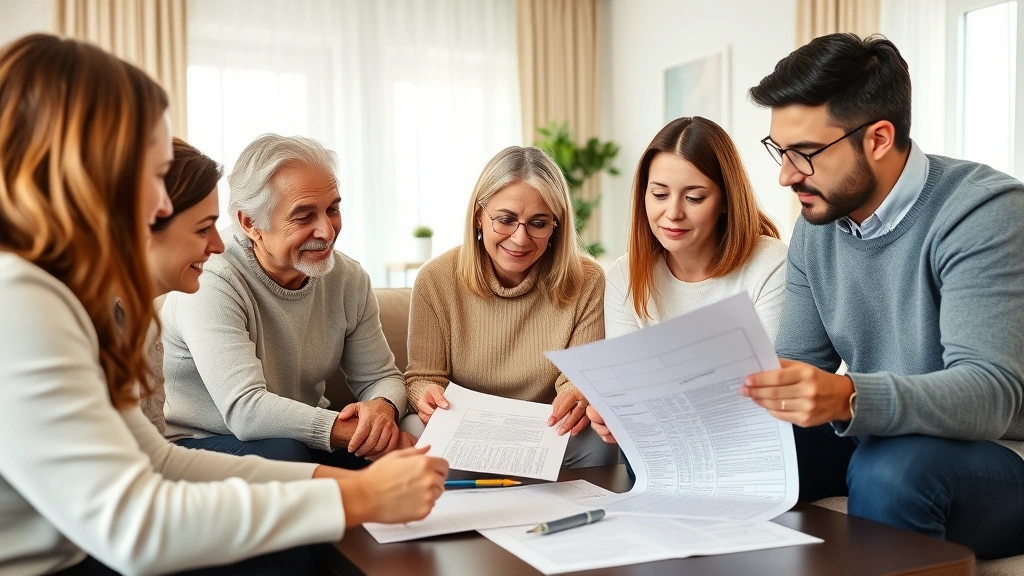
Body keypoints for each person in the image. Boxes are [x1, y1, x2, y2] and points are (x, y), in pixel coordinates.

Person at [0, 34, 446, 576]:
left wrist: (356, 484)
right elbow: (135, 528)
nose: (164, 203)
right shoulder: (19, 298)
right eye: (153, 173)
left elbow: (157, 461)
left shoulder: (70, 299)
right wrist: (359, 499)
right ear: (96, 172)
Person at [742, 33, 1024, 559]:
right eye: (780, 151)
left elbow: (989, 395)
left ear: (877, 138)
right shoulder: (818, 221)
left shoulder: (984, 212)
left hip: (996, 451)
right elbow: (798, 363)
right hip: (882, 431)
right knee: (740, 451)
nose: (785, 175)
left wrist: (848, 397)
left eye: (804, 154)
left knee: (889, 470)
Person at [161, 134, 413, 467]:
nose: (327, 231)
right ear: (251, 223)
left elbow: (382, 377)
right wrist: (352, 432)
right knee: (287, 456)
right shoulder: (212, 278)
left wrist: (381, 410)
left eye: (332, 209)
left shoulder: (347, 278)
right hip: (203, 441)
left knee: (401, 453)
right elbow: (246, 410)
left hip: (299, 437)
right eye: (304, 216)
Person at [403, 146, 619, 467]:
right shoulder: (435, 278)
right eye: (505, 220)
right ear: (479, 215)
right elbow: (424, 376)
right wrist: (426, 395)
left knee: (602, 443)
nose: (520, 239)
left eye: (538, 223)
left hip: (544, 430)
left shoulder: (588, 280)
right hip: (464, 426)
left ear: (556, 226)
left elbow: (575, 378)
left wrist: (576, 392)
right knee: (411, 429)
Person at [588, 116, 787, 445]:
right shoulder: (626, 274)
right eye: (659, 194)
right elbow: (626, 389)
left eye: (694, 198)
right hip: (662, 442)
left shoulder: (770, 262)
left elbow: (768, 389)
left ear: (725, 200)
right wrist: (616, 415)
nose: (673, 213)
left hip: (749, 438)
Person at [136, 137, 226, 435]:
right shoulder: (76, 319)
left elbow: (153, 454)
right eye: (203, 229)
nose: (218, 245)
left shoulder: (143, 320)